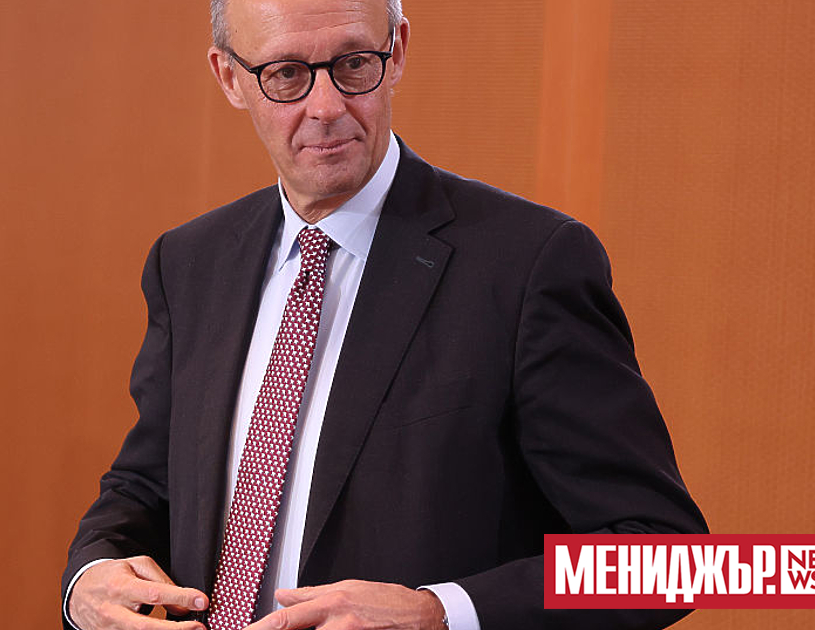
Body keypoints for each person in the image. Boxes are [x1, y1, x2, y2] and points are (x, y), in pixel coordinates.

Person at [63, 1, 707, 629]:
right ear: (229, 77)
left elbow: (674, 562)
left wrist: (438, 612)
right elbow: (143, 488)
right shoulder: (189, 263)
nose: (326, 107)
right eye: (285, 73)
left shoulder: (530, 263)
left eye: (353, 64)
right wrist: (89, 577)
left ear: (396, 52)